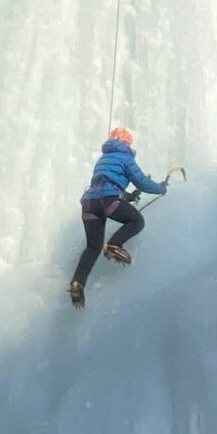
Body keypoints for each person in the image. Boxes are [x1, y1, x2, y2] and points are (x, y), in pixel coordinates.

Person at [67, 125, 167, 307]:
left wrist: (129, 196)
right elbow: (143, 182)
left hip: (89, 204)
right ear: (127, 143)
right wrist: (161, 188)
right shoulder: (125, 157)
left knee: (92, 247)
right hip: (107, 201)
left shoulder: (102, 159)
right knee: (137, 221)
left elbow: (105, 183)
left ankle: (77, 283)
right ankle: (115, 244)